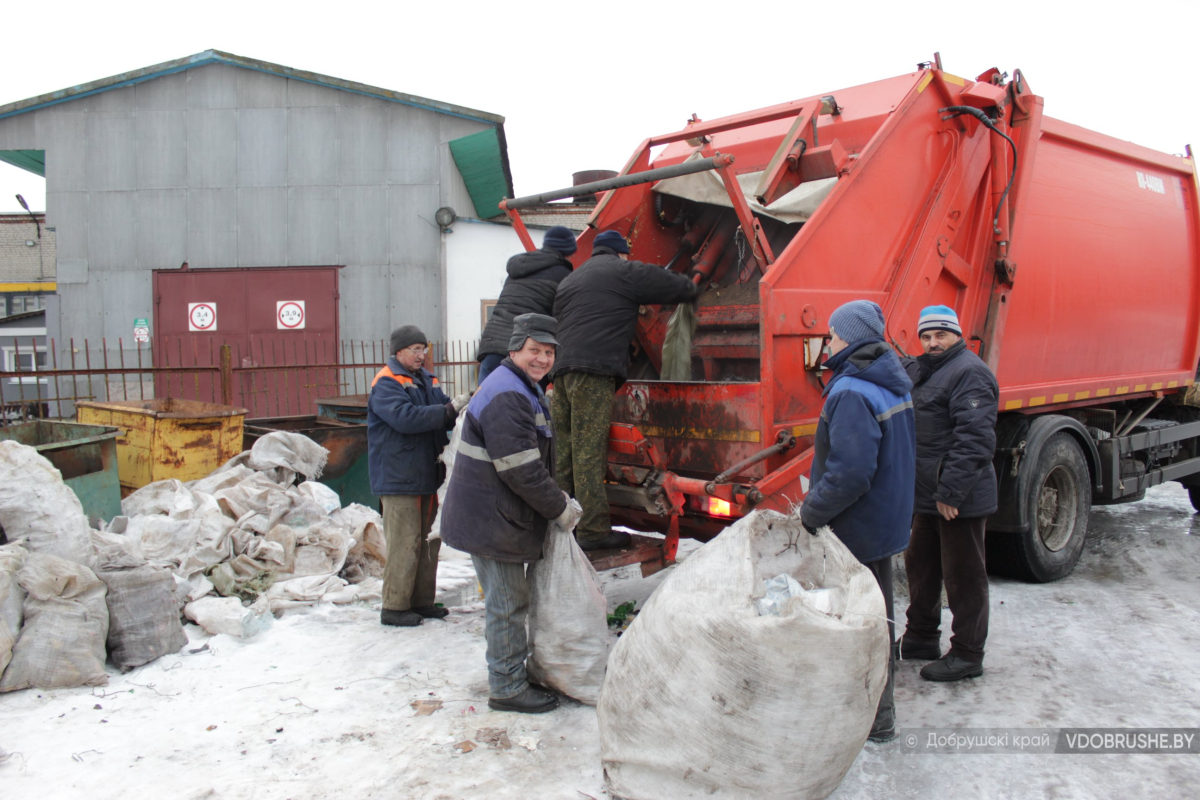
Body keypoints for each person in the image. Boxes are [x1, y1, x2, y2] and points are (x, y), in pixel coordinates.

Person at [441, 313, 580, 713]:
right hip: (491, 520)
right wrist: (560, 509)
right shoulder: (509, 394)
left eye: (549, 352)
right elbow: (521, 468)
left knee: (507, 601)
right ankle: (506, 688)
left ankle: (512, 674)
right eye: (534, 350)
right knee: (506, 603)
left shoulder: (520, 386)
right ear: (515, 348)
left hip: (490, 514)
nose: (542, 359)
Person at [799, 300, 915, 744]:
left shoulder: (851, 391)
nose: (828, 341)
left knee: (860, 627)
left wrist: (811, 513)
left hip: (856, 529)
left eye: (833, 334)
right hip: (884, 522)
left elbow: (850, 473)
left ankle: (872, 719)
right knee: (876, 617)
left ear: (851, 336)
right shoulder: (889, 380)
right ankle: (875, 715)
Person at [551, 230, 701, 551]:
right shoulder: (622, 271)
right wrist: (691, 287)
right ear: (621, 253)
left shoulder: (571, 281)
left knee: (563, 455)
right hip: (593, 373)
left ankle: (561, 526)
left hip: (561, 372)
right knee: (589, 453)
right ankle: (592, 531)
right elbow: (662, 281)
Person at [899, 304, 998, 682]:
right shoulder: (926, 370)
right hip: (928, 494)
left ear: (957, 335)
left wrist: (952, 493)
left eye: (940, 334)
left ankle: (968, 654)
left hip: (959, 498)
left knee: (964, 576)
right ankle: (922, 637)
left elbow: (975, 440)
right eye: (926, 336)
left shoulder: (969, 373)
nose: (932, 342)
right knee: (920, 567)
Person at [367, 325, 468, 628]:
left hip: (427, 475)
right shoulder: (386, 382)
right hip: (399, 477)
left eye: (423, 349)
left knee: (427, 541)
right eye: (415, 349)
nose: (421, 355)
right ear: (398, 351)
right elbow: (406, 418)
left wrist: (460, 406)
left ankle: (422, 601)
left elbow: (445, 409)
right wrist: (450, 408)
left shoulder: (427, 380)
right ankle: (395, 607)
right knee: (405, 542)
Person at [477, 226, 577, 384]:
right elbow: (566, 321)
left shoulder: (517, 271)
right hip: (527, 352)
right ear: (569, 252)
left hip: (492, 347)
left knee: (483, 403)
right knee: (526, 405)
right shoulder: (563, 276)